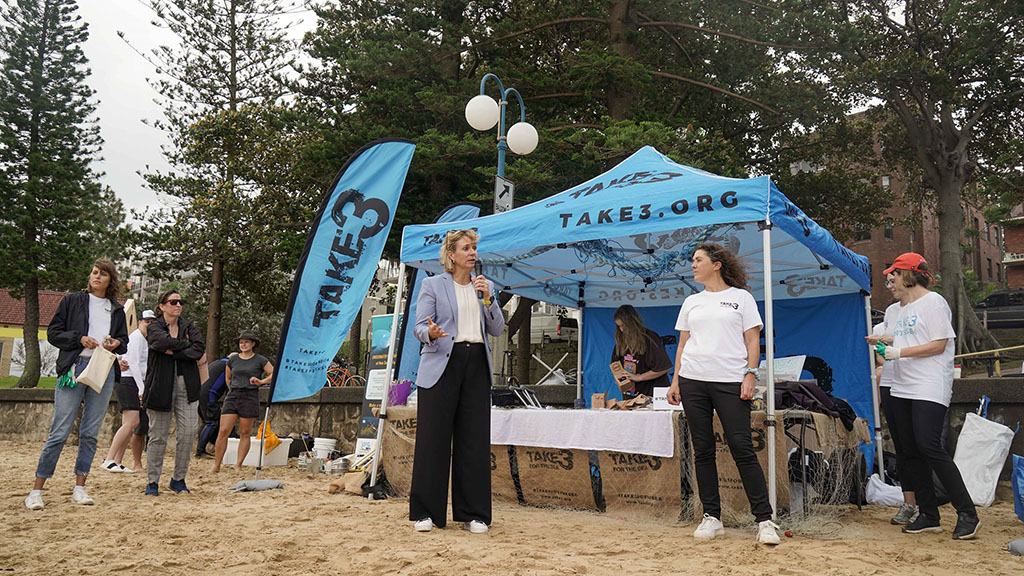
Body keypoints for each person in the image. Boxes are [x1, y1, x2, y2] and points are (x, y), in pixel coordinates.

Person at [666, 243, 780, 545]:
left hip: (730, 380)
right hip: (693, 380)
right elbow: (682, 345)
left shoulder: (741, 298)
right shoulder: (692, 301)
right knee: (702, 449)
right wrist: (676, 381)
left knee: (742, 447)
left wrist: (750, 374)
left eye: (698, 260)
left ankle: (765, 520)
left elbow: (753, 340)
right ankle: (712, 517)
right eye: (692, 260)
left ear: (716, 265)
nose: (693, 265)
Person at [875, 253, 980, 539]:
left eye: (893, 274)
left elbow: (938, 344)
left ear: (909, 274)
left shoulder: (933, 302)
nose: (890, 280)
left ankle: (968, 512)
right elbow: (908, 338)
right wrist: (887, 342)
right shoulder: (900, 310)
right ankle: (929, 514)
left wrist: (899, 352)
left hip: (929, 384)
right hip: (904, 385)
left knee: (929, 445)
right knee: (909, 450)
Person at [410, 229, 505, 534]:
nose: (472, 252)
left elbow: (497, 329)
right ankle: (425, 513)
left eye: (474, 247)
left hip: (475, 362)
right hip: (442, 362)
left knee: (474, 441)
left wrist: (488, 299)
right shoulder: (432, 285)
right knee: (432, 440)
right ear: (451, 255)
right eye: (466, 248)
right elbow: (419, 328)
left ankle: (473, 514)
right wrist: (432, 333)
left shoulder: (485, 286)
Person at [25, 258, 129, 510]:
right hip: (74, 368)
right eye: (94, 272)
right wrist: (79, 338)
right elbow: (53, 333)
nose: (96, 277)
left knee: (90, 434)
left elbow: (123, 341)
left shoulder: (116, 308)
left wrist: (115, 343)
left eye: (102, 274)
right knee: (59, 433)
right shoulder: (72, 301)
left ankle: (80, 487)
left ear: (110, 280)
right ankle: (36, 490)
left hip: (103, 371)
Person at [865, 272, 917, 525]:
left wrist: (894, 351)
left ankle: (925, 503)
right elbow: (881, 356)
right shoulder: (888, 316)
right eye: (887, 282)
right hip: (891, 385)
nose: (889, 286)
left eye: (892, 281)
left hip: (917, 386)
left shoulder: (927, 308)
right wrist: (886, 354)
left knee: (923, 446)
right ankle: (910, 504)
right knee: (903, 447)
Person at [143, 290, 205, 496]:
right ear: (162, 306)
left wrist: (174, 350)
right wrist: (183, 348)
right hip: (160, 385)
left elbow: (198, 350)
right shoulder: (154, 327)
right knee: (157, 436)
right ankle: (153, 481)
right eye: (173, 302)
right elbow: (159, 343)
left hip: (187, 386)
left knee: (188, 434)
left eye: (180, 302)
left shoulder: (189, 327)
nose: (178, 305)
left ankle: (178, 479)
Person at [101, 309, 157, 474]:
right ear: (140, 322)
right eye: (147, 322)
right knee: (131, 422)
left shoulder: (145, 340)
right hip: (128, 381)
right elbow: (132, 363)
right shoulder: (137, 338)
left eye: (153, 322)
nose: (149, 325)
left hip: (133, 381)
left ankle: (117, 461)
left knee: (130, 423)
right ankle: (109, 459)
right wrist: (142, 388)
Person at [212, 332, 273, 473]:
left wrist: (261, 382)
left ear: (253, 344)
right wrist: (232, 389)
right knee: (223, 431)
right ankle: (216, 465)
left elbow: (273, 373)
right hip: (233, 395)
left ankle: (238, 465)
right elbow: (228, 378)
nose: (243, 344)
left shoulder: (260, 360)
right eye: (241, 342)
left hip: (250, 395)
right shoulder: (233, 360)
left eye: (246, 342)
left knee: (245, 432)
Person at [610, 304, 672, 398]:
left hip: (652, 395)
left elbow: (664, 367)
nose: (622, 330)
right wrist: (619, 378)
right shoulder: (621, 341)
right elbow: (615, 365)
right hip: (631, 395)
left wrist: (639, 378)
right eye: (619, 326)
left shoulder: (649, 338)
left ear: (632, 323)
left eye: (623, 326)